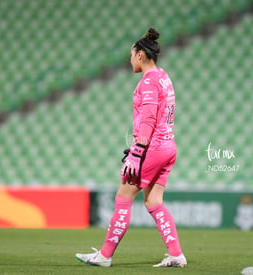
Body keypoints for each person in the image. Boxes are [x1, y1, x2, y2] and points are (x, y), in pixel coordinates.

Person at [75, 28, 187, 268]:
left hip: (153, 147)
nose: (129, 60)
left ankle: (105, 255)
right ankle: (176, 254)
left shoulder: (148, 82)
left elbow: (148, 118)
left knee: (123, 197)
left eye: (131, 55)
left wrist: (137, 152)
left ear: (140, 55)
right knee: (154, 201)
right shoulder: (164, 77)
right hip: (169, 146)